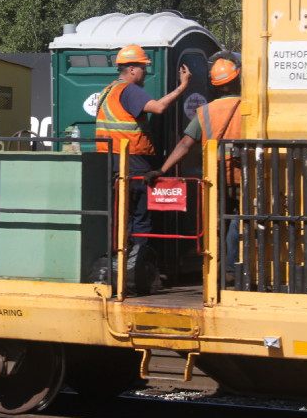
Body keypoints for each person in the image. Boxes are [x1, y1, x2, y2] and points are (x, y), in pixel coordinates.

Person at [145, 56, 242, 283]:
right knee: (239, 219)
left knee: (217, 222)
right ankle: (229, 268)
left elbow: (185, 144)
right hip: (244, 175)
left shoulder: (205, 112)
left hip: (215, 177)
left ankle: (215, 268)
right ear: (237, 81)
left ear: (214, 85)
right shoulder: (250, 108)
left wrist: (162, 169)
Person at [95, 43, 190, 249]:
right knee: (141, 219)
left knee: (118, 217)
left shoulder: (107, 91)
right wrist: (183, 86)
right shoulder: (130, 90)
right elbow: (159, 107)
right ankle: (138, 266)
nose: (146, 72)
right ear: (131, 69)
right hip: (133, 165)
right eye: (143, 68)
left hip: (109, 164)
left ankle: (120, 263)